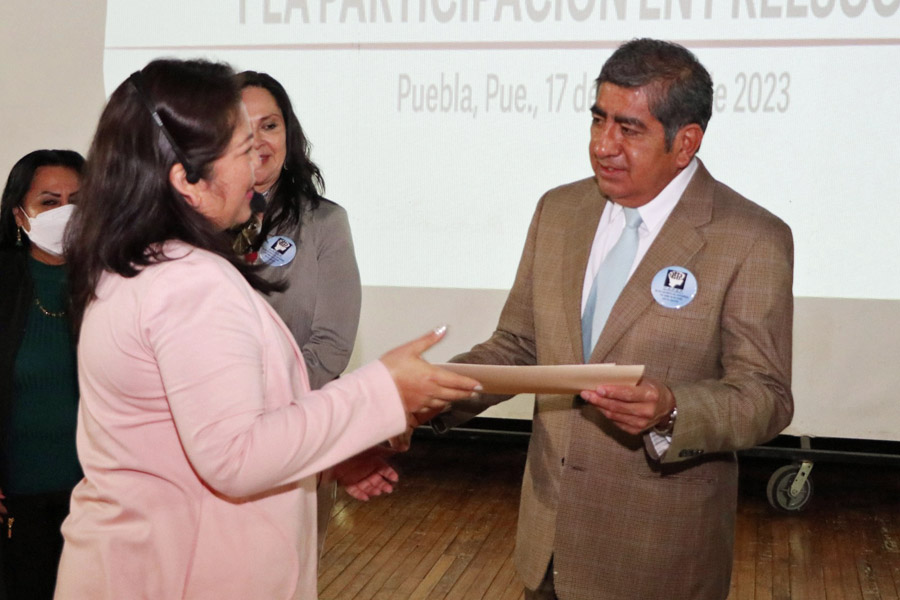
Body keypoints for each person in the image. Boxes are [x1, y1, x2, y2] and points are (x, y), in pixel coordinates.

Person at [54, 58, 480, 599]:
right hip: (181, 574)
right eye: (239, 151)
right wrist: (383, 390)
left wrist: (325, 459)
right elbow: (234, 457)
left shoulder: (136, 263)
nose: (256, 164)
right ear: (187, 179)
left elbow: (188, 438)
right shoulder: (189, 283)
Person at [427, 39, 794, 600]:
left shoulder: (751, 239)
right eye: (599, 120)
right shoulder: (560, 210)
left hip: (658, 563)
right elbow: (520, 346)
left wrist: (672, 408)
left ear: (686, 142)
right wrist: (428, 396)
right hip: (545, 551)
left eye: (630, 129)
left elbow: (766, 395)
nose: (603, 146)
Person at [234, 71, 364, 554]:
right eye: (242, 128)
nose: (258, 141)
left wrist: (263, 406)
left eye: (269, 125)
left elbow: (331, 345)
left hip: (294, 434)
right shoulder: (190, 228)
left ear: (289, 133)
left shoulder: (325, 223)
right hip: (204, 438)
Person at [0, 149, 84, 600]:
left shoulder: (115, 283)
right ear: (19, 215)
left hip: (100, 502)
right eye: (50, 201)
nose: (66, 213)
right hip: (18, 505)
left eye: (78, 200)